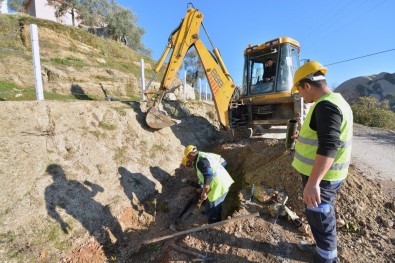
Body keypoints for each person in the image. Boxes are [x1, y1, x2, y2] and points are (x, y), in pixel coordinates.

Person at [291, 61, 353, 263]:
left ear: (307, 85)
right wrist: (302, 138)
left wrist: (313, 183)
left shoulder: (326, 106)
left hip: (323, 179)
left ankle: (326, 257)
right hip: (326, 176)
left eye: (299, 90)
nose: (300, 95)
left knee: (320, 217)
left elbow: (329, 145)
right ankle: (321, 248)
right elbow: (324, 137)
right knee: (318, 217)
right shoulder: (335, 101)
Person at [183, 145, 234, 224]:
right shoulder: (201, 156)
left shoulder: (201, 161)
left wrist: (204, 191)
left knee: (212, 207)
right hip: (220, 182)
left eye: (188, 158)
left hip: (219, 186)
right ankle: (214, 216)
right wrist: (203, 189)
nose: (189, 160)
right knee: (215, 204)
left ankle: (213, 223)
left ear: (191, 155)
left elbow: (208, 175)